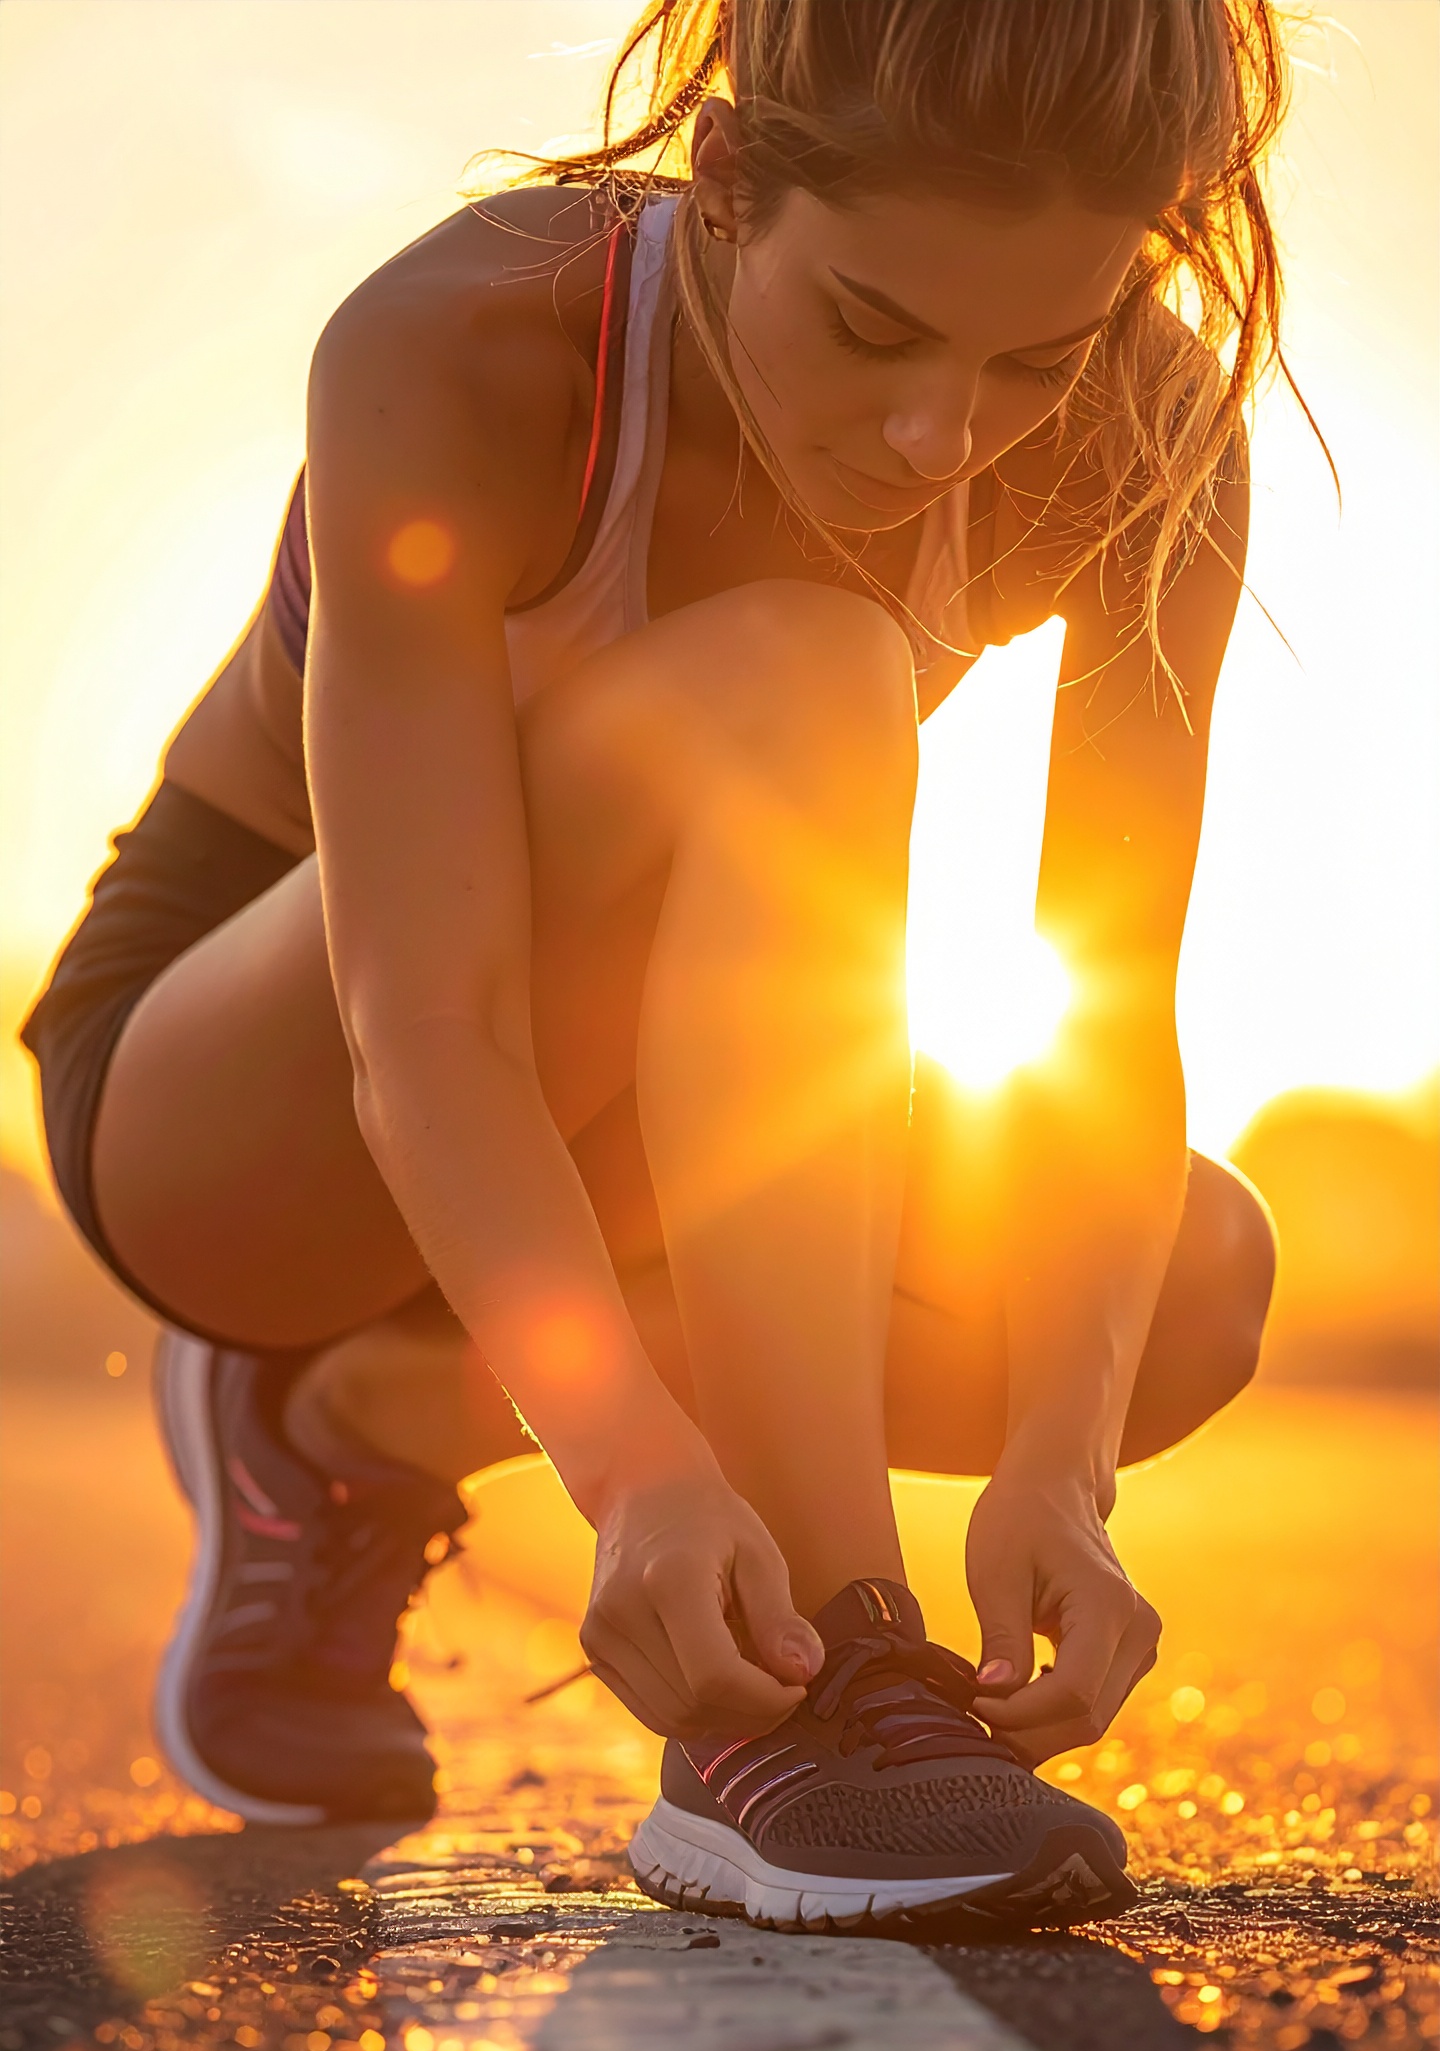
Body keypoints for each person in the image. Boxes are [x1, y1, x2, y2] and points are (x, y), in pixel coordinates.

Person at [24, 0, 1291, 1930]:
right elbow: (426, 1022)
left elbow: (1106, 1016)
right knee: (804, 677)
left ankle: (344, 1430)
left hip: (619, 1097)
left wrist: (1060, 1459)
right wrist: (630, 1475)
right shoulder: (460, 346)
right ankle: (813, 1690)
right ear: (725, 185)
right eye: (872, 326)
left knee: (1181, 1285)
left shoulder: (1154, 437)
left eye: (1036, 358)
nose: (941, 433)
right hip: (258, 1091)